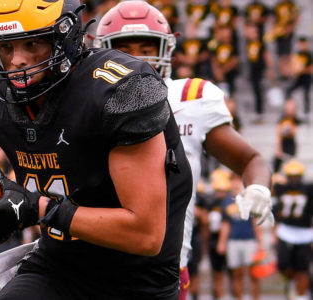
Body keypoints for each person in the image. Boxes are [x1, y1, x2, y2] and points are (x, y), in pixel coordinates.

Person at [0, 0, 193, 298]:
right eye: (6, 48)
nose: (18, 60)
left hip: (139, 280)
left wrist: (38, 208)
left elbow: (145, 235)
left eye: (32, 43)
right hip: (58, 266)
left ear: (65, 36)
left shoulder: (120, 90)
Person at [93, 1, 273, 299]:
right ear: (102, 50)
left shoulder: (190, 98)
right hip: (91, 262)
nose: (138, 58)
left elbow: (250, 159)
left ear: (167, 48)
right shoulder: (83, 99)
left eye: (147, 46)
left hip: (165, 267)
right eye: (124, 48)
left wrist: (259, 188)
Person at [272, 159, 313, 300]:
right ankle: (290, 285)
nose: (294, 179)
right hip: (285, 232)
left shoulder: (309, 189)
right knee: (283, 265)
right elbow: (276, 211)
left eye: (296, 176)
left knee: (302, 268)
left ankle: (301, 296)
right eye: (291, 176)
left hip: (305, 234)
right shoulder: (280, 188)